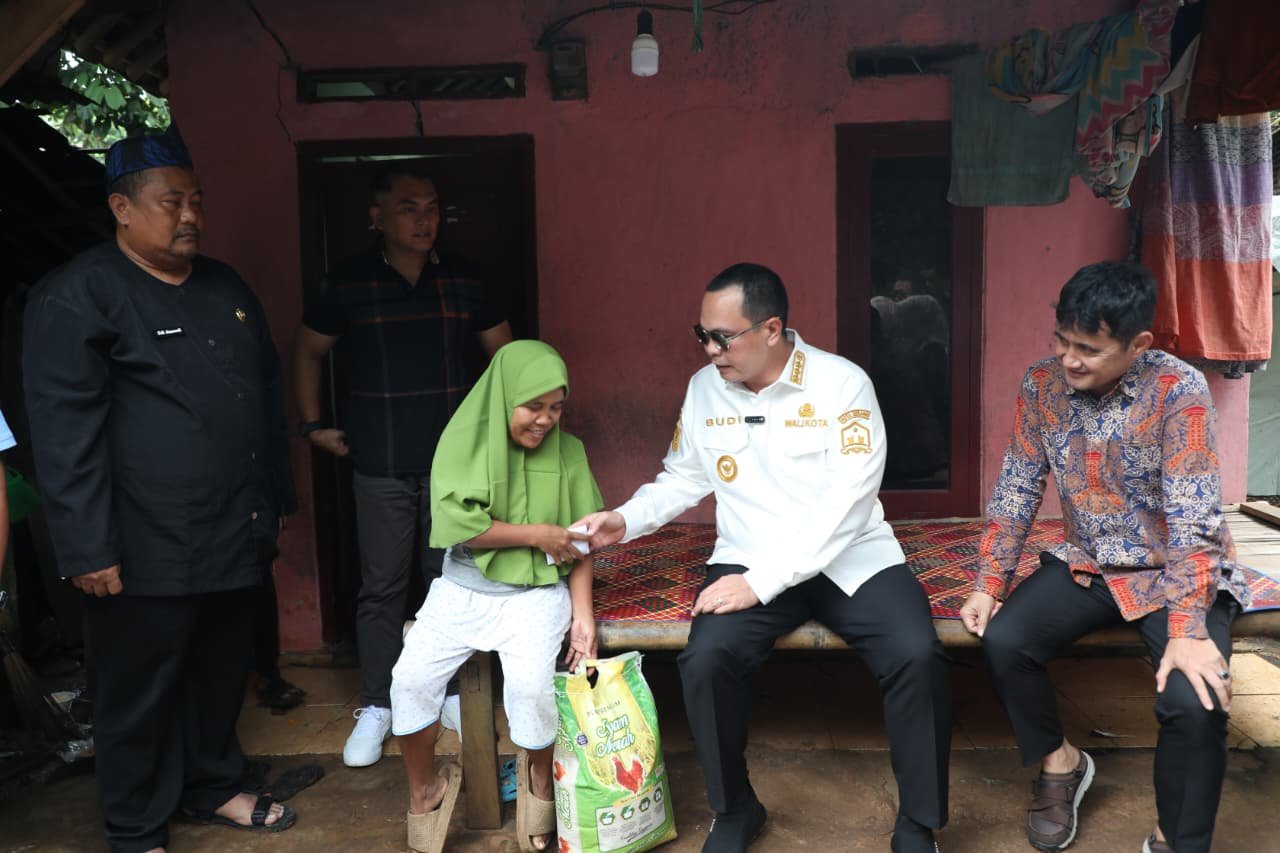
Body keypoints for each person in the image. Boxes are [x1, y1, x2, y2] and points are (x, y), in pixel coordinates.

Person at [580, 263, 951, 853]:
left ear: (772, 329)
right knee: (707, 660)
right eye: (701, 335)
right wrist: (623, 520)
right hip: (748, 554)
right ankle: (735, 809)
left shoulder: (841, 384)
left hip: (849, 556)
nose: (709, 349)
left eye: (722, 337)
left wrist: (765, 582)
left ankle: (918, 823)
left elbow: (851, 501)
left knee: (916, 653)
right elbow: (683, 478)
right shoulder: (705, 388)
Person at [22, 127, 298, 851]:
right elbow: (64, 432)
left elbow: (264, 399)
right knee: (137, 687)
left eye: (196, 200)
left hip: (231, 527)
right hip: (138, 542)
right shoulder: (78, 296)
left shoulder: (225, 286)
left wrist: (276, 499)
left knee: (219, 671)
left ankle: (213, 783)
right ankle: (135, 824)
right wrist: (87, 546)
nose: (190, 216)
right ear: (121, 208)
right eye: (171, 202)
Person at [958, 261, 1249, 853]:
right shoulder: (1041, 385)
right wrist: (989, 581)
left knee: (1196, 702)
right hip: (1087, 563)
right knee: (1006, 642)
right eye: (1062, 341)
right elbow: (1018, 485)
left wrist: (1188, 630)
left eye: (1088, 349)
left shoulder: (1179, 391)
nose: (1068, 359)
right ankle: (1060, 763)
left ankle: (1176, 839)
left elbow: (1194, 518)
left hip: (1171, 574)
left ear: (1138, 345)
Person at [294, 162, 512, 767]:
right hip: (381, 461)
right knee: (382, 588)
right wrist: (312, 426)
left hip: (454, 468)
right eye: (409, 208)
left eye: (432, 208)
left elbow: (508, 359)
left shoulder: (464, 278)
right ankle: (377, 702)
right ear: (377, 217)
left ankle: (451, 694)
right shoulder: (349, 282)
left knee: (452, 583)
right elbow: (308, 350)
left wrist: (500, 433)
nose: (424, 219)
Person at [389, 339, 601, 853]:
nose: (546, 419)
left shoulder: (569, 452)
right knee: (409, 681)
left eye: (556, 407)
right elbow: (457, 525)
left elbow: (581, 542)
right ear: (503, 397)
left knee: (531, 691)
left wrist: (583, 616)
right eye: (533, 406)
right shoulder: (462, 443)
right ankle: (424, 791)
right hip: (461, 590)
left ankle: (540, 782)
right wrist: (536, 535)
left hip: (536, 594)